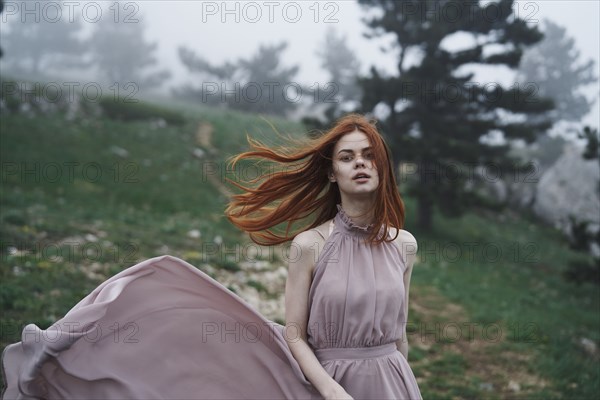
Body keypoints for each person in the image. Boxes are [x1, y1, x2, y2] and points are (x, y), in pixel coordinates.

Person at [1, 113, 422, 400]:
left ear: (382, 167)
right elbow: (295, 334)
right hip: (331, 385)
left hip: (393, 383)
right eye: (347, 157)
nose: (360, 164)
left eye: (369, 156)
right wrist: (330, 390)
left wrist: (406, 384)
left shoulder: (404, 245)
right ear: (332, 173)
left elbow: (399, 336)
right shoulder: (310, 246)